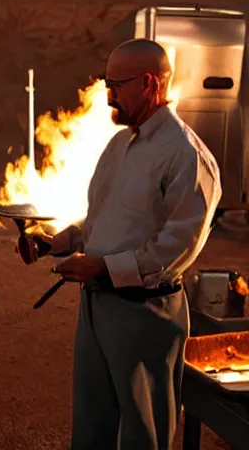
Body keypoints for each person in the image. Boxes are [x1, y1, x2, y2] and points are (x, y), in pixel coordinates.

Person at [17, 39, 222, 450]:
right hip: (98, 308)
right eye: (106, 82)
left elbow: (178, 247)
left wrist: (104, 268)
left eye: (116, 84)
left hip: (146, 315)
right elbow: (101, 221)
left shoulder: (185, 155)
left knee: (144, 433)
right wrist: (56, 242)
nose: (107, 94)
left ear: (149, 84)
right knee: (91, 426)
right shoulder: (117, 147)